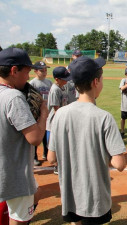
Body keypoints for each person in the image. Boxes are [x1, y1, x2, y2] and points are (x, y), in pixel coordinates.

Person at [47, 56, 126, 225]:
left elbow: (51, 158)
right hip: (95, 199)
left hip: (70, 196)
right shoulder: (104, 117)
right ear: (95, 82)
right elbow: (119, 164)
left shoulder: (60, 114)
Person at [0, 47, 48, 225]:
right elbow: (35, 138)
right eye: (26, 71)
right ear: (14, 71)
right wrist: (43, 113)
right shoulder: (13, 97)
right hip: (15, 174)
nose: (28, 77)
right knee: (18, 220)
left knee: (37, 194)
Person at [46, 66, 71, 174]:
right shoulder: (55, 90)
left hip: (62, 119)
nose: (67, 80)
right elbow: (56, 110)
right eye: (64, 78)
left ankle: (60, 163)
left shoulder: (62, 87)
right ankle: (56, 166)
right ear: (57, 79)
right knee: (56, 143)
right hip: (54, 122)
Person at [29, 61, 52, 165]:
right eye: (42, 70)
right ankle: (34, 157)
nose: (44, 72)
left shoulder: (49, 82)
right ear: (35, 71)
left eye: (45, 70)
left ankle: (46, 153)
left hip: (47, 113)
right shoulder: (32, 83)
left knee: (45, 133)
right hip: (36, 113)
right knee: (37, 134)